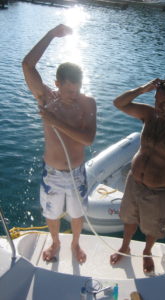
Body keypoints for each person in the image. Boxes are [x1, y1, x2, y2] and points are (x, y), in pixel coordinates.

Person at [22, 24, 96, 263]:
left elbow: (88, 138)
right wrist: (50, 34)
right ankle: (55, 242)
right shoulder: (47, 98)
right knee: (51, 213)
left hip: (77, 173)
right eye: (69, 90)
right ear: (58, 84)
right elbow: (27, 65)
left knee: (77, 214)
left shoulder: (87, 104)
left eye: (78, 89)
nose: (75, 94)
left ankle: (75, 243)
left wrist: (55, 121)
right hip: (52, 173)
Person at [110, 78, 165, 273]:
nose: (160, 107)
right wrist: (142, 89)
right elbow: (118, 103)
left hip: (159, 190)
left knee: (153, 228)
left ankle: (147, 251)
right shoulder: (150, 115)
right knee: (129, 218)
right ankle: (125, 246)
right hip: (135, 182)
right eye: (158, 102)